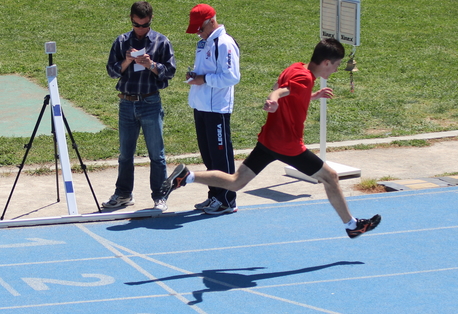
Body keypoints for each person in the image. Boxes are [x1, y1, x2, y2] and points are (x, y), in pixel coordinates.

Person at [162, 38, 381, 239]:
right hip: (288, 145)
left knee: (236, 182)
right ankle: (352, 225)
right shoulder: (305, 78)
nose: (335, 69)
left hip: (269, 140)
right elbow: (280, 92)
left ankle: (187, 177)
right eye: (335, 65)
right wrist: (273, 101)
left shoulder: (297, 68)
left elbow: (284, 88)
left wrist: (312, 96)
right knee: (330, 177)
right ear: (325, 62)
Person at [106, 1, 177, 211]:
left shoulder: (161, 42)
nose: (140, 29)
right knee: (125, 154)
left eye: (145, 25)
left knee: (157, 154)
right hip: (127, 103)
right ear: (131, 20)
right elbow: (111, 71)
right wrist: (127, 62)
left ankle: (160, 196)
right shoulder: (121, 42)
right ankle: (123, 194)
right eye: (137, 25)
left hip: (150, 102)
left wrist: (152, 65)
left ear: (150, 21)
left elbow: (170, 71)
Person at [185, 4, 241, 215]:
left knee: (220, 157)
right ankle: (214, 196)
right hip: (201, 106)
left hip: (217, 108)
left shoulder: (224, 43)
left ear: (210, 21)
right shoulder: (204, 42)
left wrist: (203, 79)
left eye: (199, 28)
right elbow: (205, 71)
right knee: (208, 155)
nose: (197, 33)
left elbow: (232, 77)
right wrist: (194, 75)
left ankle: (227, 199)